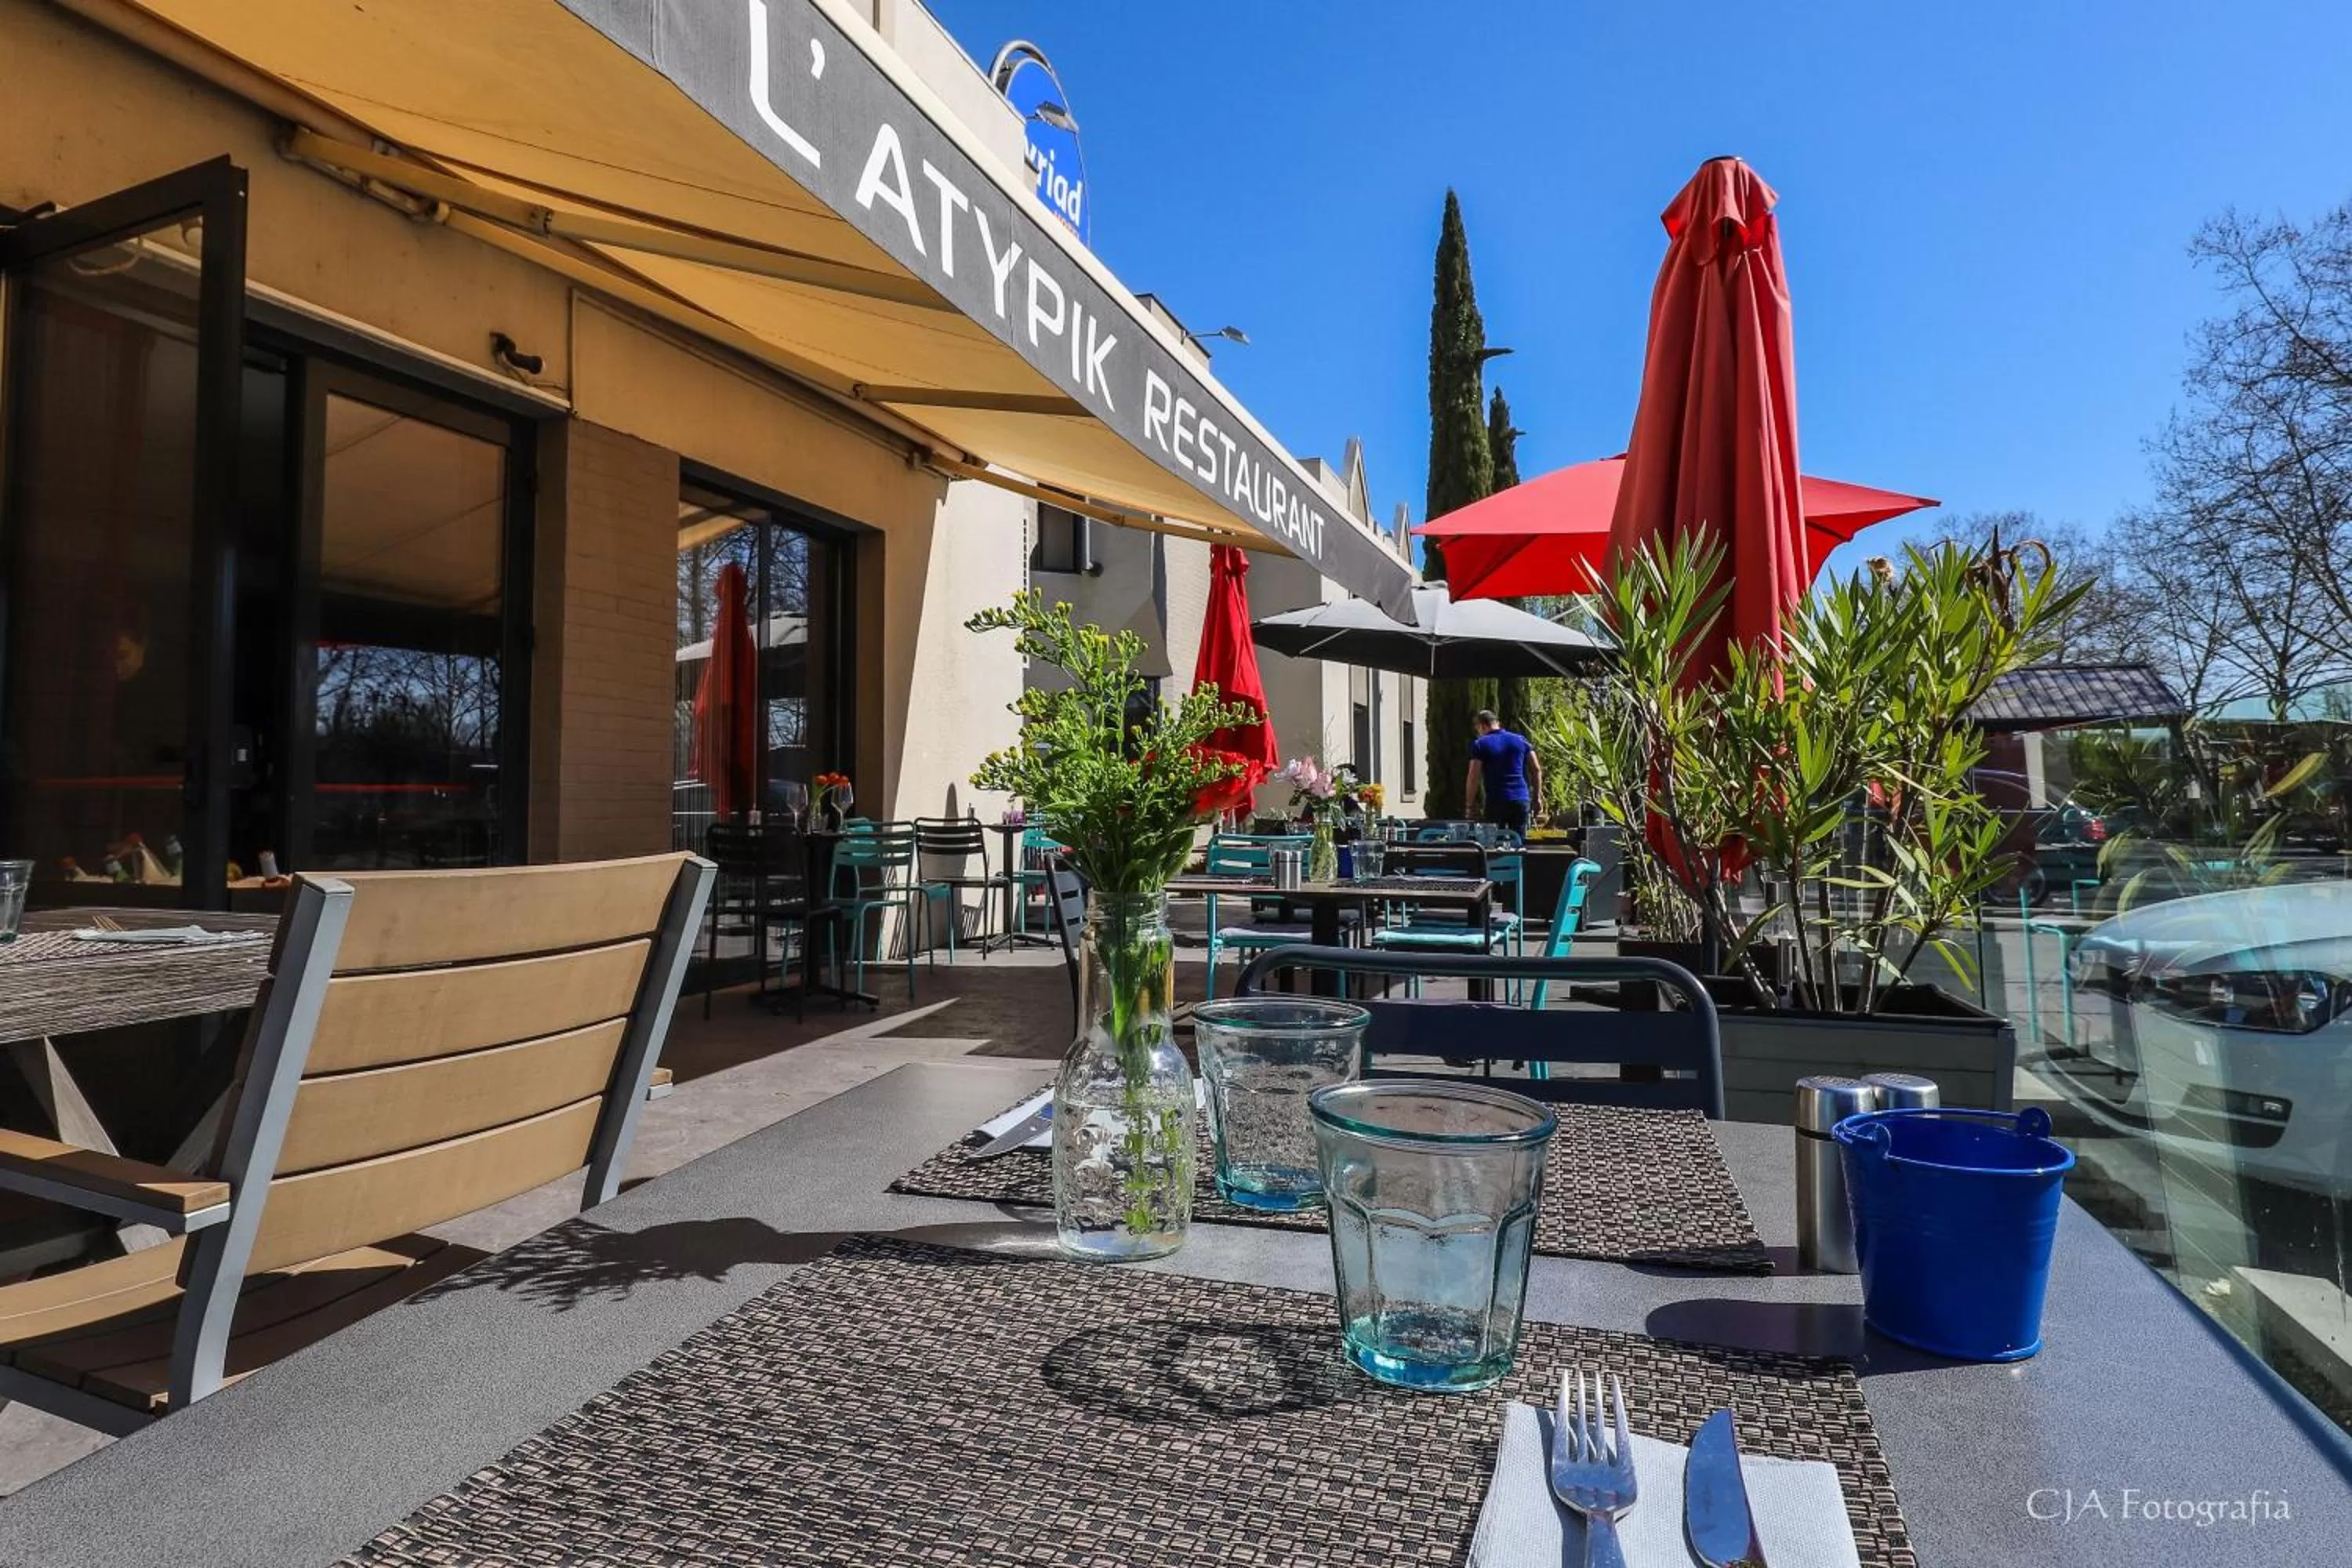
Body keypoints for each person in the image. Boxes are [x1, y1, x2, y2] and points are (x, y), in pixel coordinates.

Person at [1465, 709, 1541, 834]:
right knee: (1518, 842)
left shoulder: (1480, 744)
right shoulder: (1521, 740)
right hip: (1520, 799)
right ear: (1497, 723)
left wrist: (1470, 806)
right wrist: (1537, 797)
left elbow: (1473, 776)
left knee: (1493, 842)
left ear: (1482, 726)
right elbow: (1536, 769)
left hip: (1496, 800)